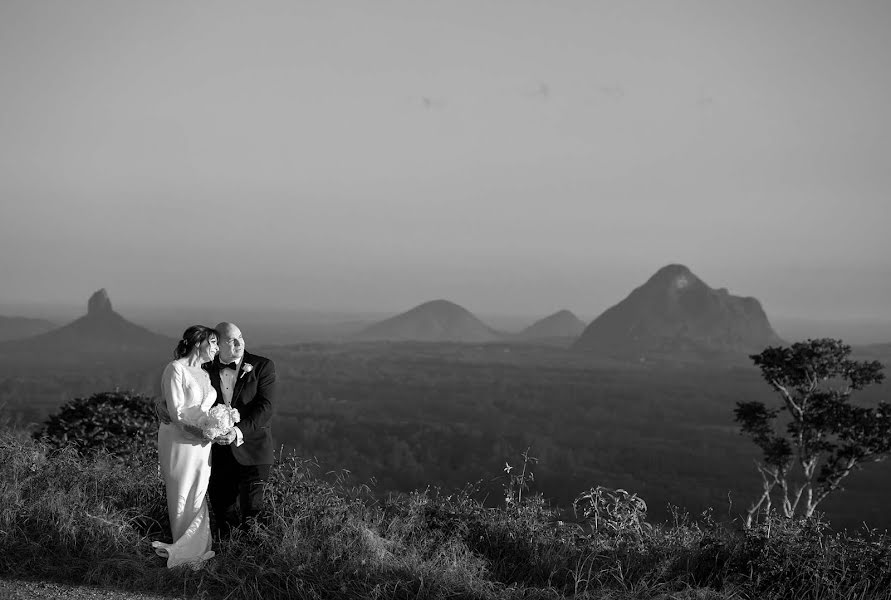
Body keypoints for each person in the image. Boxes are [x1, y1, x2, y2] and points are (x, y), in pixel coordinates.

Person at [152, 325, 219, 568]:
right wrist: (204, 433)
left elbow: (205, 409)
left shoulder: (205, 373)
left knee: (198, 493)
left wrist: (218, 425)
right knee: (181, 490)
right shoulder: (175, 369)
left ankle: (197, 549)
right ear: (198, 342)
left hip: (203, 444)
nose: (216, 348)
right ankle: (182, 552)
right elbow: (177, 412)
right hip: (179, 440)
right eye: (213, 342)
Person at [205, 322, 277, 537]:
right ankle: (228, 561)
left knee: (252, 512)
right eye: (230, 340)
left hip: (254, 449)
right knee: (222, 511)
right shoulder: (205, 368)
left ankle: (255, 562)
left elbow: (266, 407)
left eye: (241, 337)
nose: (239, 343)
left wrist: (237, 432)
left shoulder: (262, 365)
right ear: (217, 344)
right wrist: (162, 405)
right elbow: (186, 395)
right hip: (218, 452)